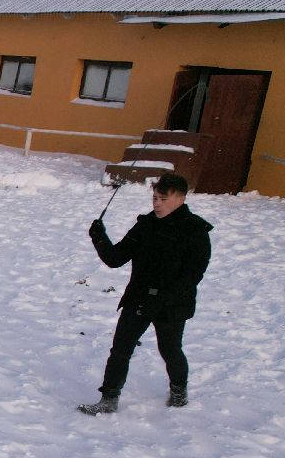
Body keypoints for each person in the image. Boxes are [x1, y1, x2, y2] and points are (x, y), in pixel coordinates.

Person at [78, 173, 212, 415]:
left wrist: (164, 298)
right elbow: (115, 258)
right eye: (154, 198)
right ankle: (109, 399)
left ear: (181, 198)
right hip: (138, 298)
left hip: (171, 304)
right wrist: (99, 237)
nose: (156, 203)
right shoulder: (145, 225)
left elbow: (193, 275)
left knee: (170, 349)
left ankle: (179, 390)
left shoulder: (196, 231)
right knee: (120, 349)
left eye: (162, 198)